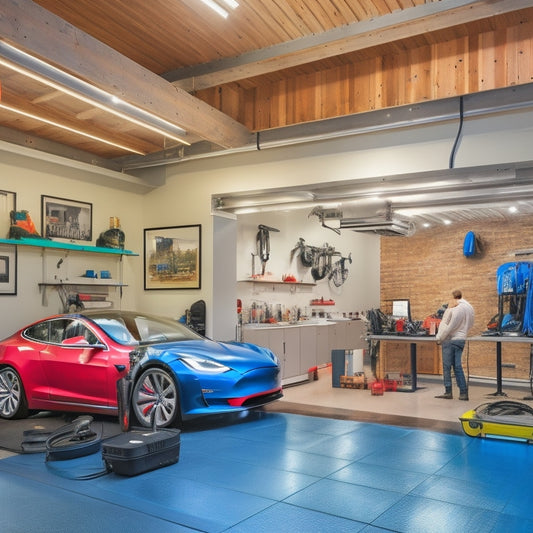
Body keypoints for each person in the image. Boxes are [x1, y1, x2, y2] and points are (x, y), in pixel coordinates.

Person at [435, 290, 474, 400]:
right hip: (461, 339)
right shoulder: (469, 307)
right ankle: (463, 393)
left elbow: (448, 326)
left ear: (453, 297)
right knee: (458, 366)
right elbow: (470, 323)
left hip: (450, 339)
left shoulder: (454, 308)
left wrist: (439, 338)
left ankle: (448, 392)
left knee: (447, 367)